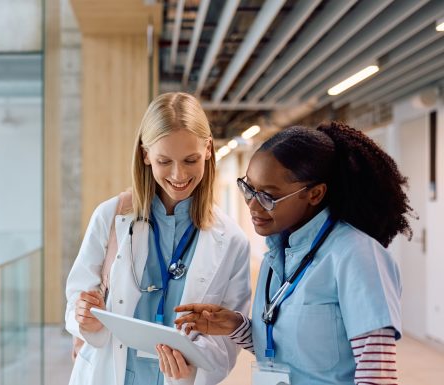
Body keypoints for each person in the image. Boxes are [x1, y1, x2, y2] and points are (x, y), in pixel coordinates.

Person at [173, 122, 411, 384]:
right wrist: (235, 326)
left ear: (315, 194)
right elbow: (289, 354)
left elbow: (377, 375)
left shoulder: (357, 256)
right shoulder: (276, 256)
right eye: (248, 188)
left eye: (268, 196)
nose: (252, 205)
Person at [65, 92, 251, 385]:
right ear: (145, 155)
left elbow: (229, 339)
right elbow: (77, 297)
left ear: (208, 150)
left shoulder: (232, 241)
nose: (179, 175)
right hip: (109, 373)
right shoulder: (111, 216)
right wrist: (84, 316)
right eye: (165, 161)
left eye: (190, 160)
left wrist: (193, 365)